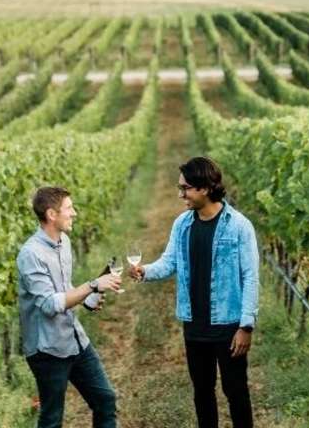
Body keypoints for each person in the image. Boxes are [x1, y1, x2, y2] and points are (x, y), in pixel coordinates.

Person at [130, 156, 258, 428]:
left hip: (228, 325)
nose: (180, 194)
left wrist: (246, 325)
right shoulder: (182, 224)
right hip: (194, 325)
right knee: (202, 393)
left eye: (185, 188)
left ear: (205, 188)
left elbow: (250, 277)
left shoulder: (239, 226)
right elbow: (170, 262)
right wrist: (145, 271)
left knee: (236, 393)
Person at [17, 186, 122, 428]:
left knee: (105, 399)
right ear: (52, 214)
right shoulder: (30, 254)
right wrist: (93, 284)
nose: (74, 213)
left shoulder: (64, 241)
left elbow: (64, 287)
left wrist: (88, 299)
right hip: (47, 348)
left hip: (74, 339)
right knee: (52, 418)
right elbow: (49, 303)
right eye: (69, 208)